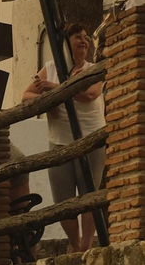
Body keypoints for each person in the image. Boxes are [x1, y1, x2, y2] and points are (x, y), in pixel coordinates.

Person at [18, 23, 104, 249]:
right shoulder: (51, 68)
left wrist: (55, 89)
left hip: (91, 139)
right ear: (65, 43)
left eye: (86, 37)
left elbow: (90, 94)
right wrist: (46, 102)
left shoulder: (94, 69)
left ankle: (87, 244)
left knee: (89, 196)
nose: (84, 41)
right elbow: (26, 95)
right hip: (59, 141)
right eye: (77, 37)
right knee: (63, 200)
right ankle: (75, 244)